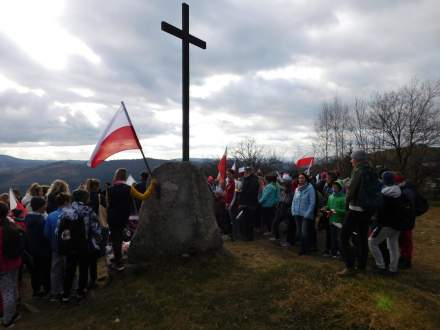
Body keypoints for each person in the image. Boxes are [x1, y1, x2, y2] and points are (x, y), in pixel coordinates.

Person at [338, 150, 377, 277]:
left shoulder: (358, 170)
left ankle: (350, 266)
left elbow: (351, 191)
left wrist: (346, 185)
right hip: (367, 210)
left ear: (357, 160)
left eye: (352, 159)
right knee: (362, 238)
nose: (351, 161)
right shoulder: (370, 169)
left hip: (355, 209)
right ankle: (361, 267)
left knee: (343, 237)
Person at [59, 189, 101, 302]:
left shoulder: (66, 211)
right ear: (84, 198)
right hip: (84, 244)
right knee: (83, 268)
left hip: (70, 245)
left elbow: (58, 230)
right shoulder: (88, 210)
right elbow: (96, 228)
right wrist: (97, 240)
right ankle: (80, 292)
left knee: (69, 270)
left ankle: (66, 295)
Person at [368, 172, 404, 276]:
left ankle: (381, 266)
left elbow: (380, 210)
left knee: (372, 242)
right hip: (398, 224)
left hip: (386, 224)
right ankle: (393, 269)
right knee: (393, 246)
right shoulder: (398, 192)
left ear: (384, 180)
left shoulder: (384, 195)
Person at [44, 192, 71, 300]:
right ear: (66, 202)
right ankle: (71, 290)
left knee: (55, 271)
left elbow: (46, 233)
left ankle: (55, 292)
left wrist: (53, 242)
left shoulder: (50, 216)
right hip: (69, 248)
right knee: (69, 269)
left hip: (55, 248)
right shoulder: (71, 214)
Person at [0, 201, 21, 328]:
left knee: (7, 291)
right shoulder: (12, 224)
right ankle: (14, 312)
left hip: (3, 265)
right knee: (13, 287)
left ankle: (7, 320)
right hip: (15, 261)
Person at [25, 196, 51, 297]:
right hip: (43, 250)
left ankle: (36, 290)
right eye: (45, 204)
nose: (46, 206)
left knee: (35, 271)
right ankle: (47, 289)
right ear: (40, 206)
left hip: (32, 250)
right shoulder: (41, 220)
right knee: (45, 270)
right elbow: (46, 235)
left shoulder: (28, 218)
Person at [291, 173, 316, 255]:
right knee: (299, 232)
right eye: (299, 178)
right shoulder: (297, 189)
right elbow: (294, 201)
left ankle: (304, 249)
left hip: (306, 214)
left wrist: (307, 214)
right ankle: (304, 247)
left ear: (306, 179)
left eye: (302, 178)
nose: (300, 179)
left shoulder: (310, 188)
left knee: (304, 232)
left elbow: (312, 203)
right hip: (297, 213)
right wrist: (293, 210)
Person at [323, 180, 345, 257]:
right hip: (331, 220)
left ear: (340, 188)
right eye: (333, 187)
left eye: (336, 187)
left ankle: (341, 253)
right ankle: (333, 252)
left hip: (339, 221)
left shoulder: (343, 198)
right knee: (333, 238)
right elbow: (329, 207)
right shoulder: (330, 197)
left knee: (339, 238)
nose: (334, 188)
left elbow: (345, 211)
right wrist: (326, 208)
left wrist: (336, 210)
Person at [238, 167, 259, 241]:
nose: (244, 173)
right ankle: (246, 235)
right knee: (245, 220)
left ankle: (249, 237)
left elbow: (251, 191)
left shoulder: (254, 180)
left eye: (245, 172)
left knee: (249, 220)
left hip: (250, 203)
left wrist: (241, 191)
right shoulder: (246, 179)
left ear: (249, 172)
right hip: (245, 203)